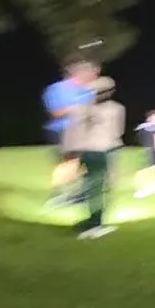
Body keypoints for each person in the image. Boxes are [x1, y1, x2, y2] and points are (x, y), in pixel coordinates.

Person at [59, 77, 125, 240]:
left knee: (90, 187)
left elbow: (73, 130)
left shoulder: (82, 108)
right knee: (98, 189)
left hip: (85, 153)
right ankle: (95, 225)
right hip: (101, 152)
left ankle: (91, 221)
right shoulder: (116, 109)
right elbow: (117, 133)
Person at [42, 54, 100, 207]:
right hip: (61, 130)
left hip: (82, 132)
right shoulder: (56, 89)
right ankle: (58, 195)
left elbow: (92, 113)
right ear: (78, 73)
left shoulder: (88, 92)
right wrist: (76, 109)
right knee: (67, 163)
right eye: (91, 74)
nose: (94, 77)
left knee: (85, 163)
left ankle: (78, 195)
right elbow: (56, 112)